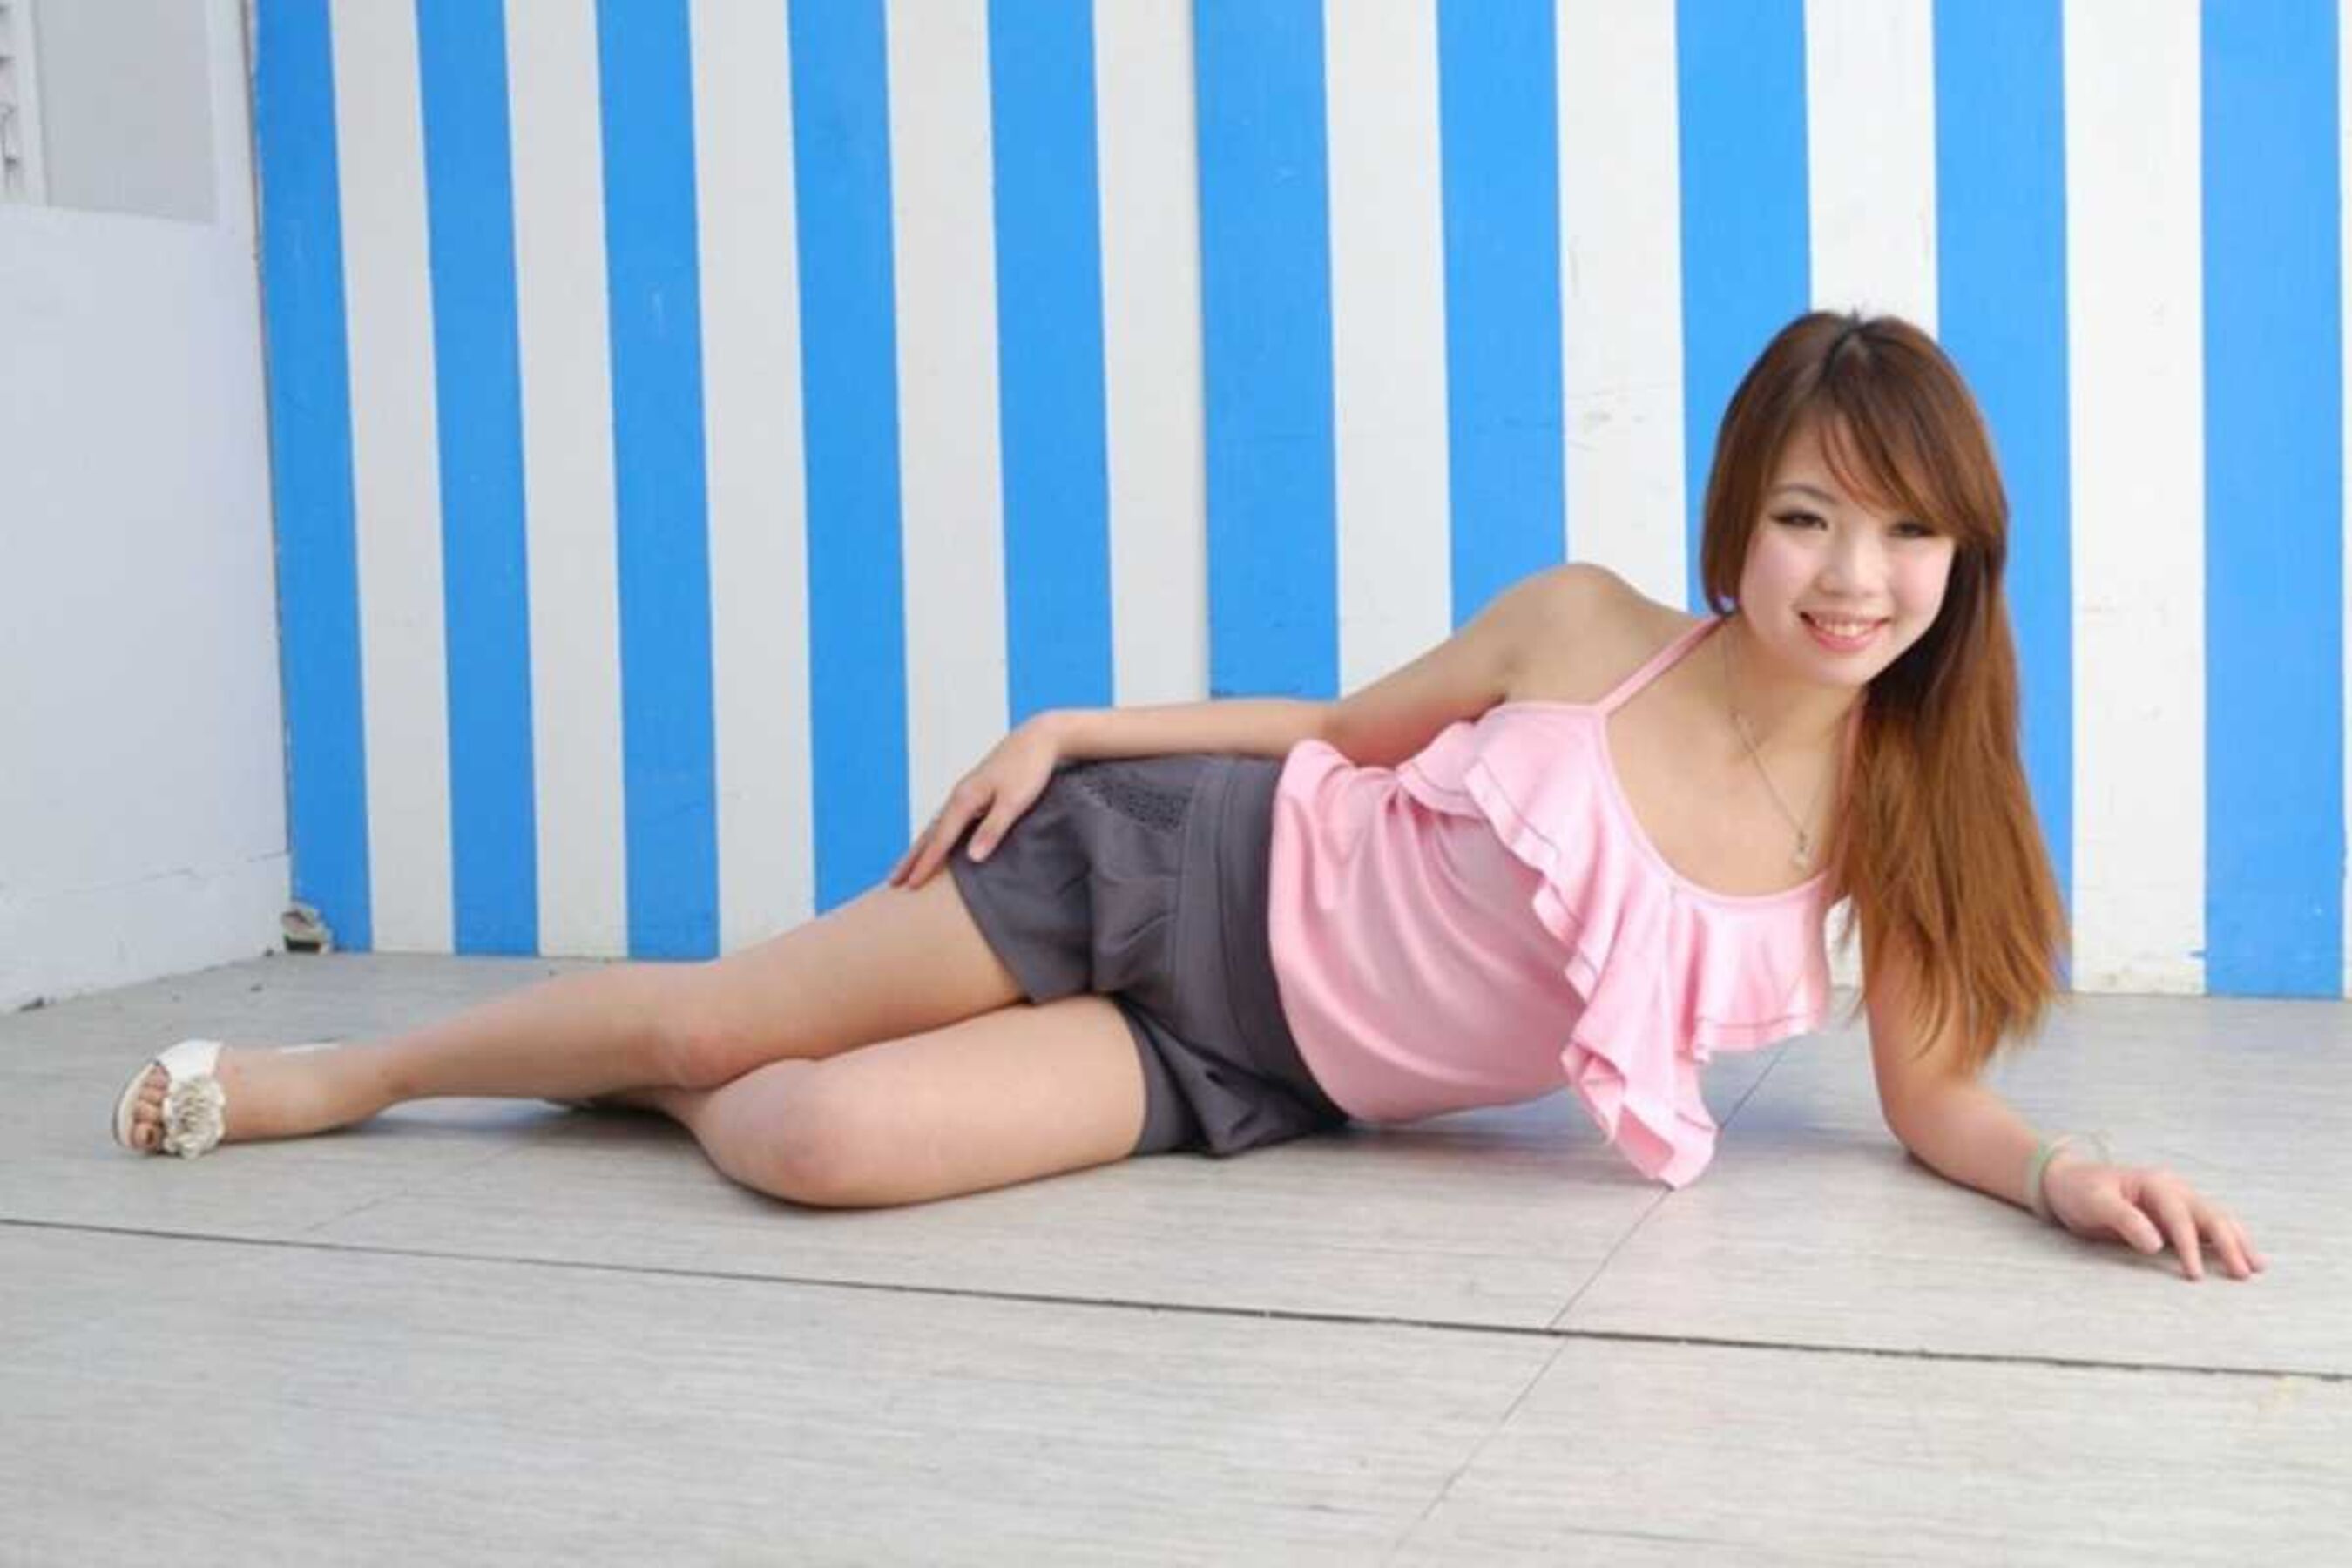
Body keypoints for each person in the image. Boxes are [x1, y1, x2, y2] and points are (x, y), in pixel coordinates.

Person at [112, 309, 2265, 1284]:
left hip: (1261, 1071)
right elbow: (1339, 730)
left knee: (812, 1141)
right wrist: (1081, 730)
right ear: (1738, 523)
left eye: (1904, 533)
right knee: (708, 1010)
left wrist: (2068, 1173)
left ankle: (673, 1080)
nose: (1853, 577)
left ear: (1965, 558)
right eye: (1808, 517)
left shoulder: (1915, 816)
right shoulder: (1590, 627)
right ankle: (361, 1075)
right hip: (1179, 870)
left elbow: (1932, 1099)